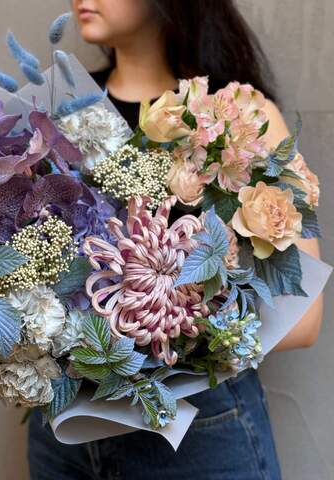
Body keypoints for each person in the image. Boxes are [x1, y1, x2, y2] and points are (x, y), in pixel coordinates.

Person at [28, 1, 324, 478]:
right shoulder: (56, 113)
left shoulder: (239, 119)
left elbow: (303, 318)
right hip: (63, 435)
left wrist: (160, 319)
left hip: (197, 435)